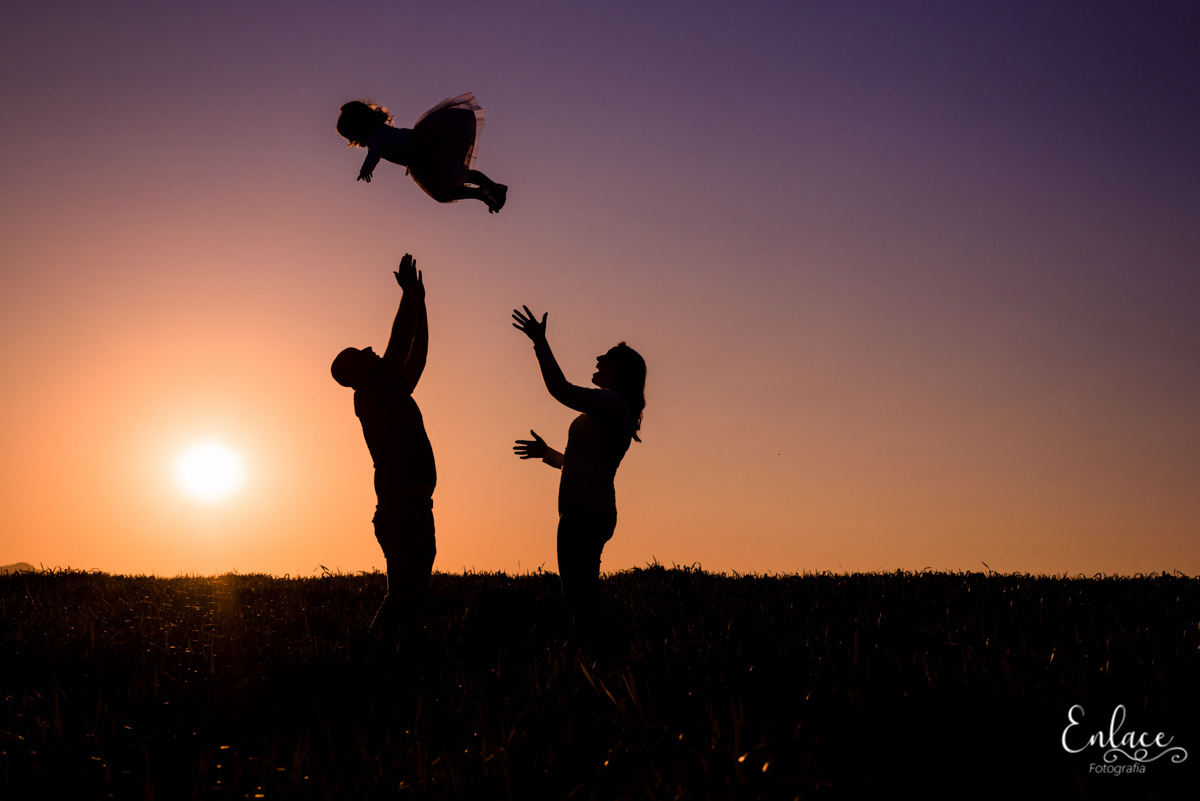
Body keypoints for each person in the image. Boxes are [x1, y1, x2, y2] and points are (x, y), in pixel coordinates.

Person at [511, 305, 646, 643]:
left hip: (584, 514)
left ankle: (595, 661)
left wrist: (540, 342)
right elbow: (579, 461)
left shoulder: (614, 403)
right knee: (581, 599)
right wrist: (547, 455)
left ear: (621, 371)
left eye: (608, 357)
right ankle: (598, 660)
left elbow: (560, 389)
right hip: (588, 511)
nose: (599, 359)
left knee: (579, 602)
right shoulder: (611, 407)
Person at [331, 254, 436, 648]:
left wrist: (420, 301)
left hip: (414, 509)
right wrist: (408, 295)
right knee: (404, 600)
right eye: (363, 353)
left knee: (413, 599)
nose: (371, 349)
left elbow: (418, 354)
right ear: (356, 373)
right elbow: (399, 344)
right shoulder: (371, 393)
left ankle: (383, 660)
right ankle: (371, 659)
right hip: (402, 512)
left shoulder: (387, 393)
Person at [336, 93, 508, 213]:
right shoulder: (378, 131)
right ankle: (491, 188)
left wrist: (366, 169)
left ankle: (483, 192)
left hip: (420, 150)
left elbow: (375, 152)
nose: (351, 139)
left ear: (358, 126)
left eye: (350, 135)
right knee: (459, 175)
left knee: (443, 191)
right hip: (419, 157)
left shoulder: (375, 136)